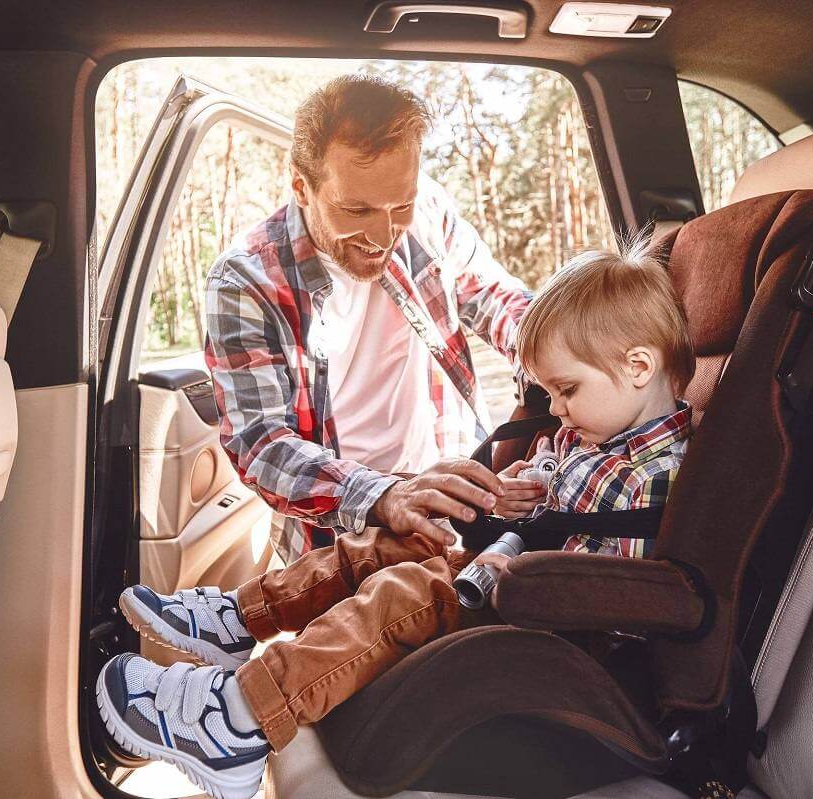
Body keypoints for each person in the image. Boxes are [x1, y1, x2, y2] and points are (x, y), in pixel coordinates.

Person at [96, 238, 698, 799]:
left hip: (557, 617)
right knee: (386, 543)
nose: (558, 413)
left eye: (566, 390)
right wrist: (519, 489)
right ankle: (240, 618)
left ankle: (238, 720)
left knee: (402, 592)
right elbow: (557, 478)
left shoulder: (656, 473)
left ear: (640, 367)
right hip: (507, 567)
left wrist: (522, 554)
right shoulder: (596, 436)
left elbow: (607, 583)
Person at [201, 74, 537, 565]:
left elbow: (496, 299)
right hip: (335, 533)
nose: (383, 235)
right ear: (302, 185)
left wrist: (562, 356)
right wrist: (383, 496)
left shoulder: (428, 215)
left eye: (399, 204)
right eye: (355, 208)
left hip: (454, 500)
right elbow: (260, 444)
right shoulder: (245, 280)